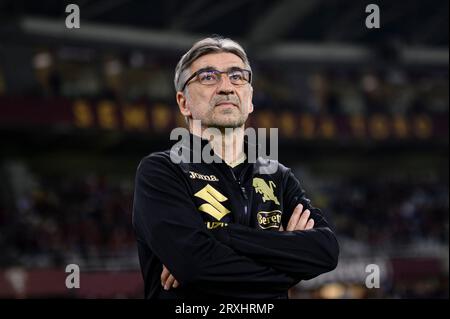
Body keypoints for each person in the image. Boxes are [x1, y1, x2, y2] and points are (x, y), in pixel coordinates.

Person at [132, 36, 339, 299]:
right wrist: (288, 258)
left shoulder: (279, 176)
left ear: (250, 99)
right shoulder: (161, 171)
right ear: (184, 103)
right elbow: (196, 267)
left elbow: (325, 251)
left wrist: (219, 236)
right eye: (208, 77)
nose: (226, 87)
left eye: (237, 76)